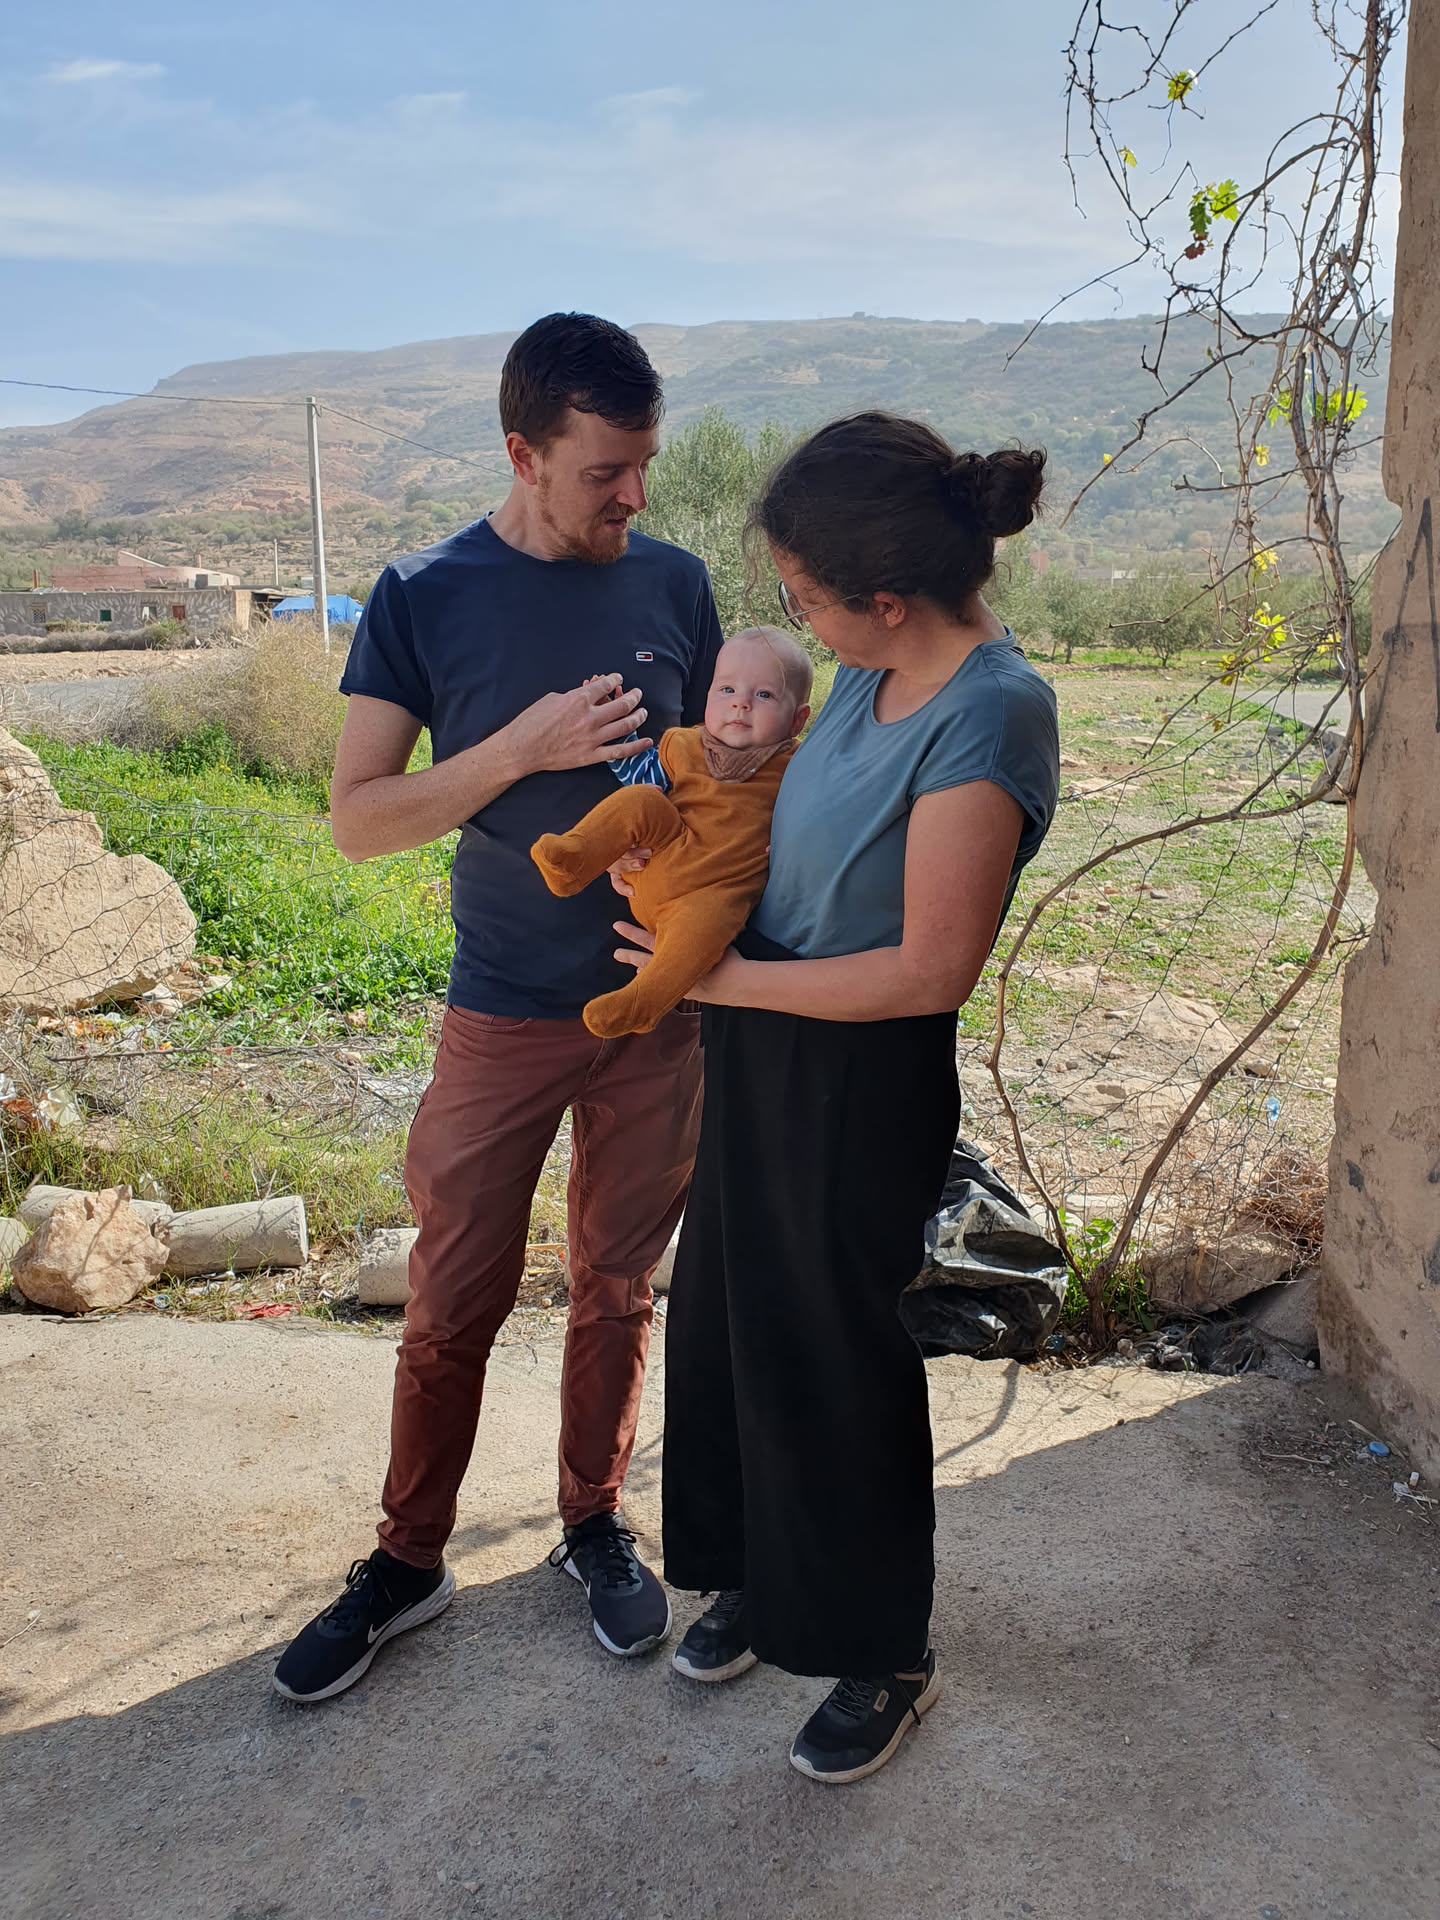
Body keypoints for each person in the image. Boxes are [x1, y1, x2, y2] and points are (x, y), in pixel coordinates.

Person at [273, 313, 724, 1704]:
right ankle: (409, 1559)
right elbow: (359, 820)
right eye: (605, 472)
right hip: (504, 1012)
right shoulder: (425, 593)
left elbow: (722, 777)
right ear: (523, 454)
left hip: (654, 1015)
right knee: (453, 1295)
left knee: (617, 1286)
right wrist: (517, 751)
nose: (634, 496)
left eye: (644, 467)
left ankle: (592, 1522)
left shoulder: (676, 583)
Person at [611, 412, 1060, 1782]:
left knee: (834, 1353)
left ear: (886, 597)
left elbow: (929, 969)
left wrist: (726, 980)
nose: (795, 620)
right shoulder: (868, 677)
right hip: (766, 1031)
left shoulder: (991, 710)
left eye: (806, 597)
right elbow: (787, 839)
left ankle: (883, 1650)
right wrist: (674, 872)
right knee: (735, 1321)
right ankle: (763, 1580)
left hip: (858, 1066)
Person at [531, 627, 813, 1036]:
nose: (741, 703)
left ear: (797, 719)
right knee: (643, 800)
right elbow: (641, 776)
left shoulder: (796, 768)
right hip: (661, 854)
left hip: (713, 891)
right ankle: (572, 860)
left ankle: (644, 1001)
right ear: (708, 696)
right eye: (727, 689)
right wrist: (619, 729)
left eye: (764, 695)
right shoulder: (684, 745)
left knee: (708, 928)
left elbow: (813, 821)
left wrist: (792, 846)